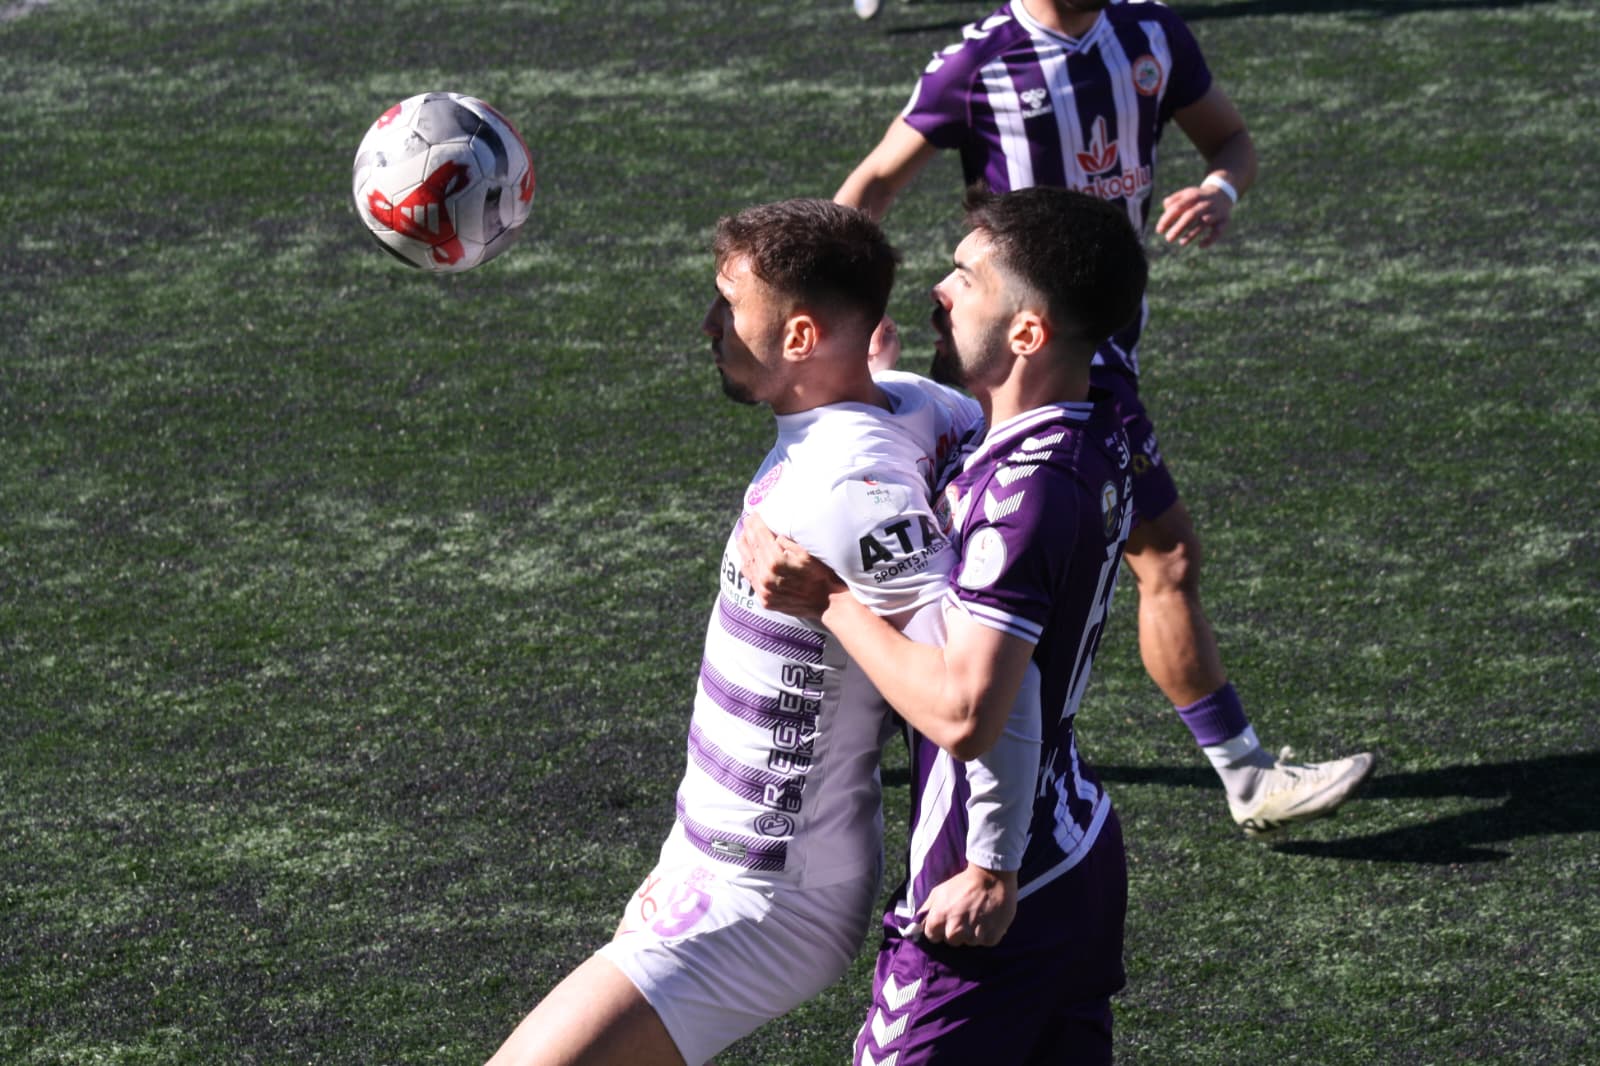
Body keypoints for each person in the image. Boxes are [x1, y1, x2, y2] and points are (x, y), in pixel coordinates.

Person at [485, 198, 1033, 1066]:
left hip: (767, 892)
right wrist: (869, 373)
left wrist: (993, 861)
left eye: (729, 305)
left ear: (802, 338)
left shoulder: (852, 485)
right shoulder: (908, 408)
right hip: (711, 855)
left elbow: (972, 694)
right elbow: (911, 413)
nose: (710, 325)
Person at [833, 0, 1373, 836]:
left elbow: (1231, 140)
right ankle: (1242, 774)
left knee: (976, 561)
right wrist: (843, 312)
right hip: (1041, 365)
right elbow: (872, 184)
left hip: (1090, 354)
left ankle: (886, 734)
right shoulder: (980, 62)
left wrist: (1221, 189)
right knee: (1157, 556)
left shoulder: (1150, 33)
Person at [741, 185, 1149, 1063]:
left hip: (989, 885)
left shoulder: (1025, 498)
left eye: (967, 277)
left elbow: (970, 712)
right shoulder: (1082, 424)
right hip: (1075, 843)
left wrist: (827, 598)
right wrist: (879, 387)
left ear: (1027, 333)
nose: (941, 289)